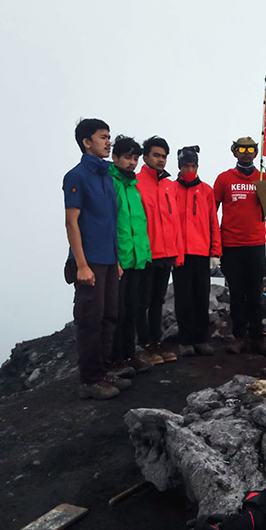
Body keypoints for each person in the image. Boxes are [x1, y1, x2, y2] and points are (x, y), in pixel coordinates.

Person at [62, 118, 132, 400]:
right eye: (102, 137)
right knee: (90, 319)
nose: (108, 141)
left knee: (109, 316)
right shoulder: (76, 176)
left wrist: (115, 259)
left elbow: (109, 221)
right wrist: (81, 264)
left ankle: (102, 371)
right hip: (88, 261)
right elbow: (71, 222)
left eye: (109, 136)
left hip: (108, 259)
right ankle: (90, 379)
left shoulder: (106, 176)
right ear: (86, 142)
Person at [213, 137, 266, 356]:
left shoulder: (264, 178)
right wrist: (214, 244)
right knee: (236, 294)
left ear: (256, 153)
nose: (246, 153)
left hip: (256, 244)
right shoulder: (224, 179)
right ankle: (239, 336)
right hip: (231, 245)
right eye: (241, 149)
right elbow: (212, 212)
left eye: (250, 149)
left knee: (256, 293)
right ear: (234, 152)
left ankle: (258, 337)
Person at [108, 136, 154, 376]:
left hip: (138, 259)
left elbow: (139, 224)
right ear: (114, 158)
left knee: (134, 308)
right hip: (119, 261)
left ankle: (129, 354)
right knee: (118, 311)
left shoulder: (133, 187)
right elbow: (110, 225)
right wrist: (113, 259)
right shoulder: (111, 184)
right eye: (127, 157)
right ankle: (115, 359)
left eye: (135, 158)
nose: (132, 162)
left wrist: (145, 255)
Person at [135, 136, 183, 364]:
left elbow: (175, 222)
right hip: (146, 254)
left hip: (167, 254)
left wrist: (177, 252)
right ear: (145, 157)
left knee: (157, 301)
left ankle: (155, 343)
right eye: (156, 155)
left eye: (164, 156)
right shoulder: (136, 183)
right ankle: (143, 346)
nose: (161, 160)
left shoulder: (169, 185)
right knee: (142, 302)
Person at [172, 146, 222, 356]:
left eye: (193, 165)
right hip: (179, 253)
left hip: (202, 252)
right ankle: (185, 341)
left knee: (202, 296)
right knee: (183, 297)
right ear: (180, 167)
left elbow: (213, 221)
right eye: (186, 166)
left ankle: (201, 339)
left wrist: (216, 252)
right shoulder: (171, 189)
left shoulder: (207, 191)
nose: (190, 169)